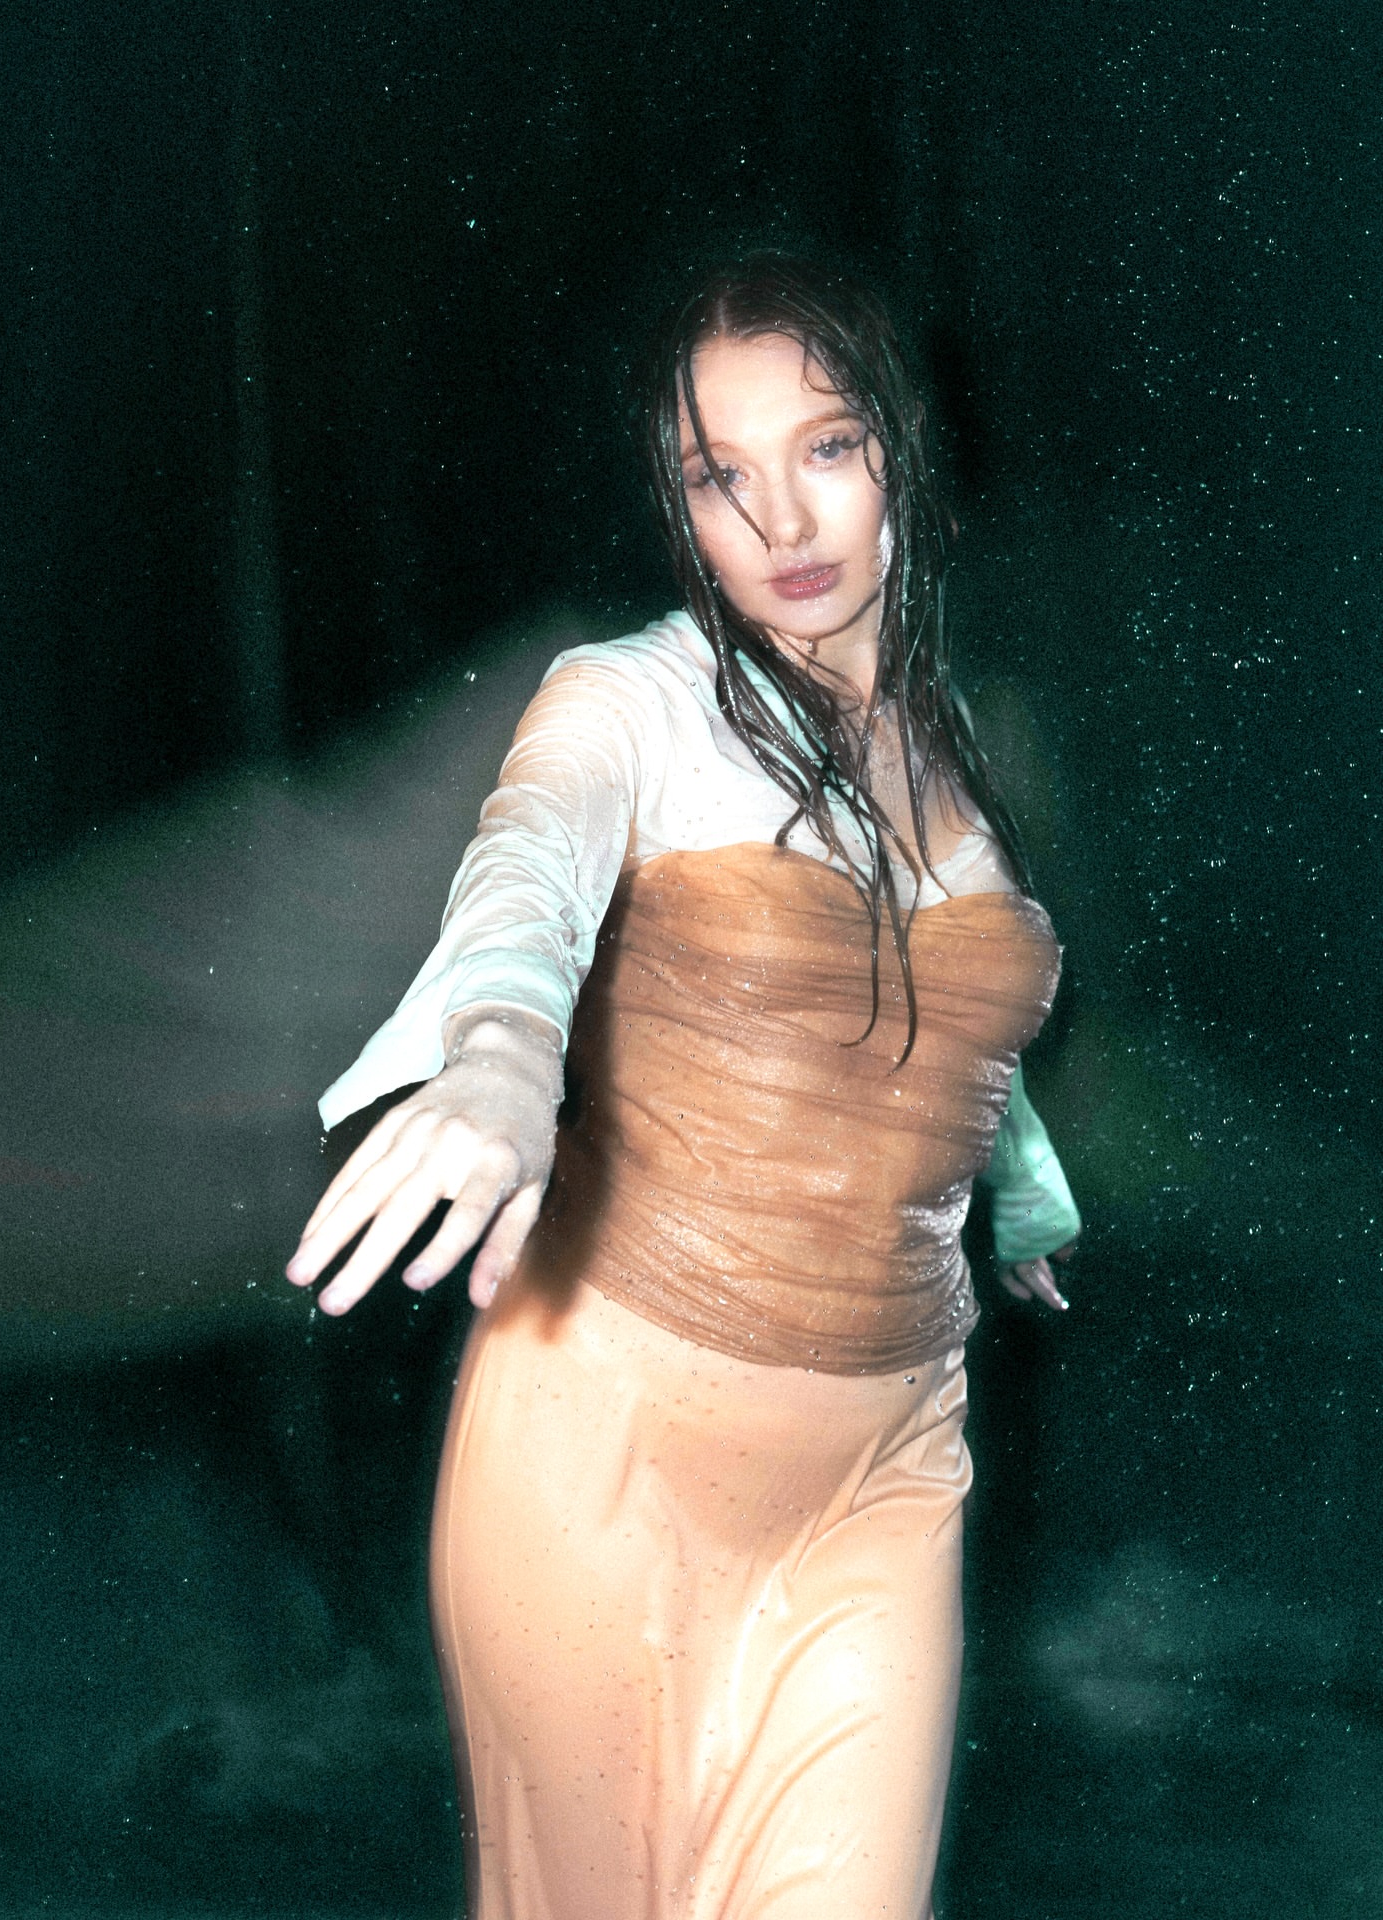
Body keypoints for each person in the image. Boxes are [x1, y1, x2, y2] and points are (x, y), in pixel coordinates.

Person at [287, 254, 1080, 1920]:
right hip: (610, 1457)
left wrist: (1021, 1198)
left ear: (904, 451)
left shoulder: (972, 744)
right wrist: (502, 1059)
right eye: (721, 476)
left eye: (828, 447)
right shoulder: (631, 702)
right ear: (680, 506)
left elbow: (939, 1013)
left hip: (885, 1472)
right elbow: (524, 886)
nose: (781, 519)